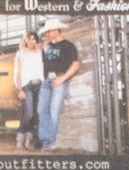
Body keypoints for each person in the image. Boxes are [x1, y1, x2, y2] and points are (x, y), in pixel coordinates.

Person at [37, 21, 80, 151]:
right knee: (41, 110)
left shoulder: (68, 45)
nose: (47, 34)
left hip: (59, 79)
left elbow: (75, 65)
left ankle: (50, 143)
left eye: (49, 31)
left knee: (53, 111)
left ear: (56, 30)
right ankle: (46, 141)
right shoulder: (46, 46)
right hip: (46, 81)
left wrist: (62, 78)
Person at [12, 30, 44, 152]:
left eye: (34, 39)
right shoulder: (20, 53)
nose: (32, 41)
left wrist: (39, 46)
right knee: (29, 113)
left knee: (34, 114)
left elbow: (47, 46)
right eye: (30, 39)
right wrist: (20, 89)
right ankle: (19, 139)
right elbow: (18, 72)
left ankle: (27, 142)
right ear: (25, 40)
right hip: (27, 85)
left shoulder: (38, 52)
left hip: (39, 85)